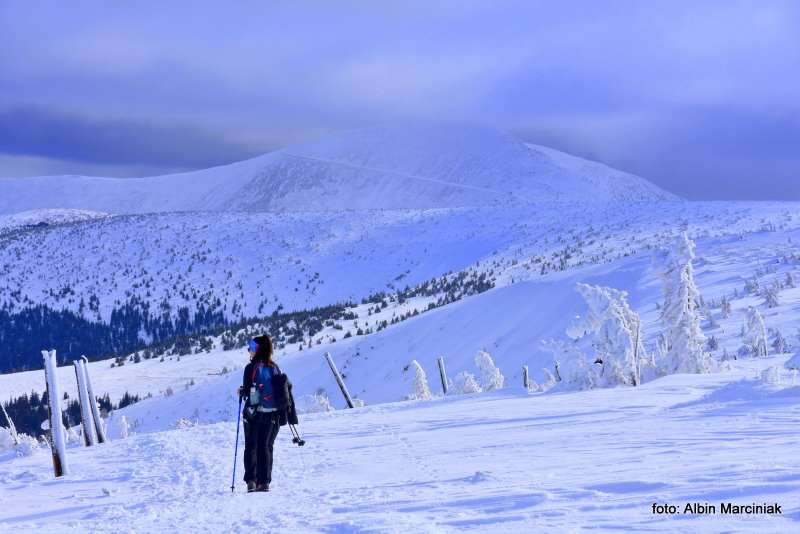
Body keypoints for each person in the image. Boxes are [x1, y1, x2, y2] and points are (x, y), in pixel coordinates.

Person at [239, 334, 298, 493]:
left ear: (257, 349)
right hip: (274, 414)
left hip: (255, 413)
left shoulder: (251, 368)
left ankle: (252, 481)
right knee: (266, 446)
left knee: (252, 446)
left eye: (251, 347)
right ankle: (264, 482)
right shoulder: (274, 367)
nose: (249, 350)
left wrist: (241, 391)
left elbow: (248, 390)